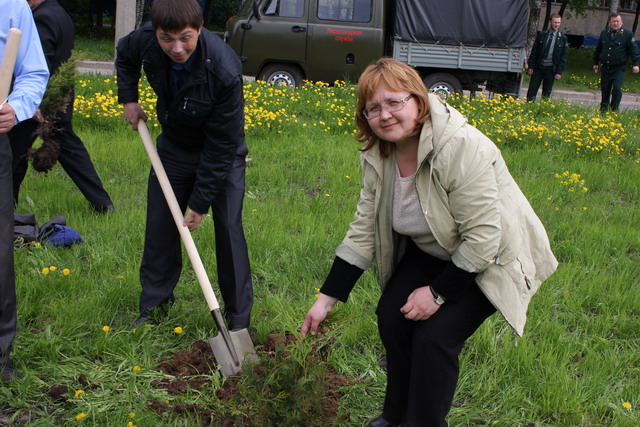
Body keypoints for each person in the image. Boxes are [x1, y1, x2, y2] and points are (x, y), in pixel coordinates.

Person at [301, 58, 558, 427]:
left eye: (394, 102)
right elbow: (364, 228)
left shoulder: (460, 147)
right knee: (392, 317)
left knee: (434, 338)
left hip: (489, 260)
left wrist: (436, 294)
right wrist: (326, 299)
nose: (384, 115)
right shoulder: (379, 153)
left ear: (418, 102)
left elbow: (485, 238)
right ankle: (395, 416)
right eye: (372, 108)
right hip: (435, 250)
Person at [115, 0, 253, 330]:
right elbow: (124, 54)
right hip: (174, 147)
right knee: (161, 225)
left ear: (201, 27)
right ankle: (154, 306)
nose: (177, 48)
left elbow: (222, 146)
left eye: (186, 38)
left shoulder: (225, 70)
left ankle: (237, 321)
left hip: (221, 152)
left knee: (229, 228)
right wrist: (129, 99)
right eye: (167, 39)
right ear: (155, 31)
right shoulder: (144, 40)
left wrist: (200, 202)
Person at [9, 0, 114, 212]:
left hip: (40, 104)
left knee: (14, 155)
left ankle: (7, 205)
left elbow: (41, 63)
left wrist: (35, 103)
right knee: (73, 154)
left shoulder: (41, 17)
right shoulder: (60, 13)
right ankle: (103, 204)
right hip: (60, 99)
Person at [0, 0, 48, 381]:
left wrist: (15, 106)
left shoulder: (13, 6)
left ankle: (0, 353)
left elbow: (33, 71)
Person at [593, 13, 640, 112]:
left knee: (617, 88)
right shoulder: (604, 33)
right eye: (613, 21)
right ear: (609, 23)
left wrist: (636, 64)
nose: (616, 23)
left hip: (618, 68)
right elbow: (599, 49)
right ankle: (604, 111)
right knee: (605, 90)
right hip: (606, 67)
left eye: (618, 21)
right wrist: (596, 63)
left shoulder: (627, 34)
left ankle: (614, 110)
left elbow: (634, 50)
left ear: (622, 22)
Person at [526, 13, 568, 102]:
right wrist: (530, 66)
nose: (556, 25)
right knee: (531, 91)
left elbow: (563, 57)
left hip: (550, 69)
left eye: (558, 23)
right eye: (555, 22)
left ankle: (543, 111)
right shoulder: (542, 35)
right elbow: (534, 51)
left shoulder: (563, 38)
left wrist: (559, 72)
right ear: (550, 22)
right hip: (538, 67)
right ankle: (528, 108)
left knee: (546, 93)